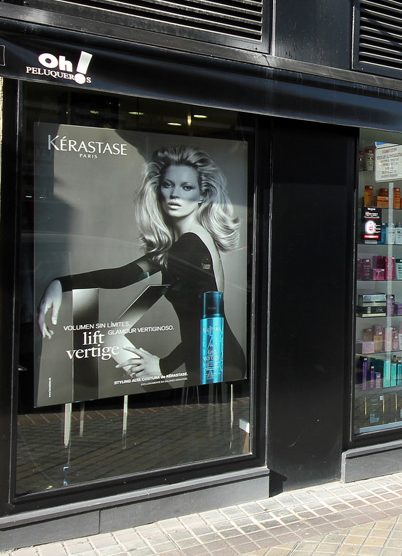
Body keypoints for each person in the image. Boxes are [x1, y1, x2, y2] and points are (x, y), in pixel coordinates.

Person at [37, 145, 247, 385]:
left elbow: (208, 320)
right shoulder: (187, 242)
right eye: (168, 185)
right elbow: (123, 276)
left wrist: (164, 366)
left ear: (202, 194)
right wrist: (61, 283)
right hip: (213, 356)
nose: (175, 195)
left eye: (186, 187)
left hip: (214, 361)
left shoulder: (189, 245)